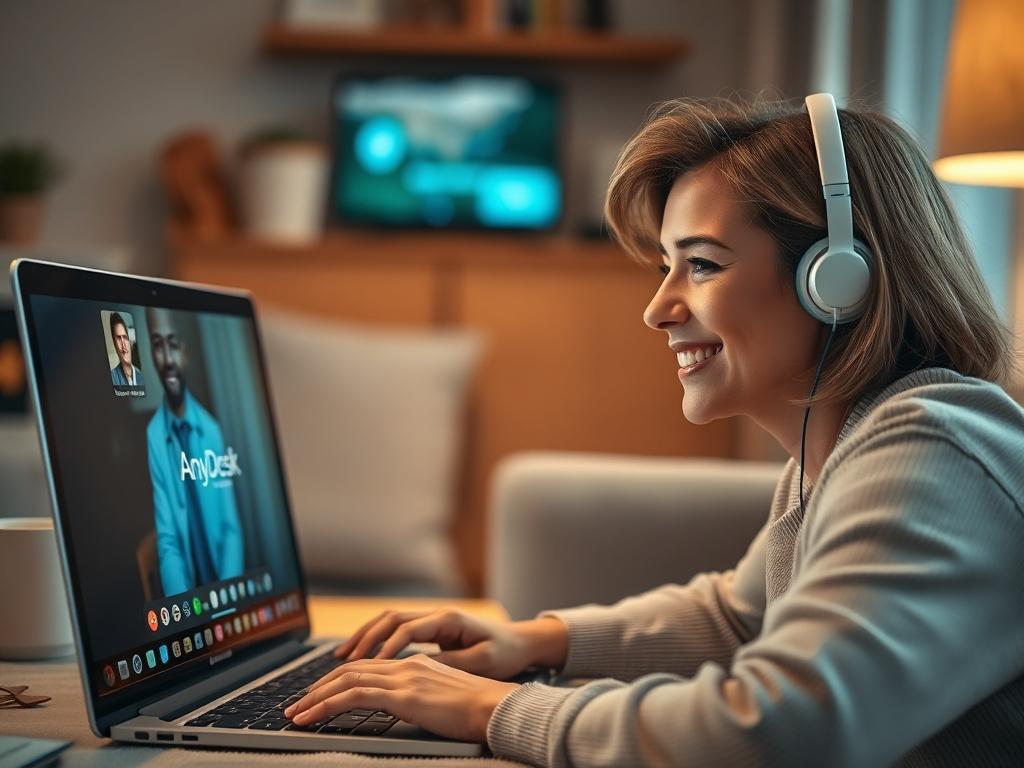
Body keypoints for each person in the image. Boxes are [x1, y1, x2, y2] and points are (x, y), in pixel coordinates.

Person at [283, 94, 1024, 766]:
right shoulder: (849, 447)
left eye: (700, 265)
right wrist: (532, 641)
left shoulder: (931, 454)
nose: (658, 308)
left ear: (836, 278)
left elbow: (774, 732)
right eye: (668, 266)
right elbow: (737, 618)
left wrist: (494, 708)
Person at [145, 306, 244, 597]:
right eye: (157, 348)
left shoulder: (211, 429)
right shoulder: (154, 435)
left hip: (223, 594)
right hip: (192, 602)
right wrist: (186, 610)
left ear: (184, 353)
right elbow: (169, 541)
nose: (167, 361)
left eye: (173, 345)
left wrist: (225, 601)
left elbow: (230, 529)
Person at [108, 311, 144, 387]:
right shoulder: (112, 377)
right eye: (118, 338)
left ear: (130, 343)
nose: (123, 344)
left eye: (125, 337)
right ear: (114, 344)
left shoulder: (141, 376)